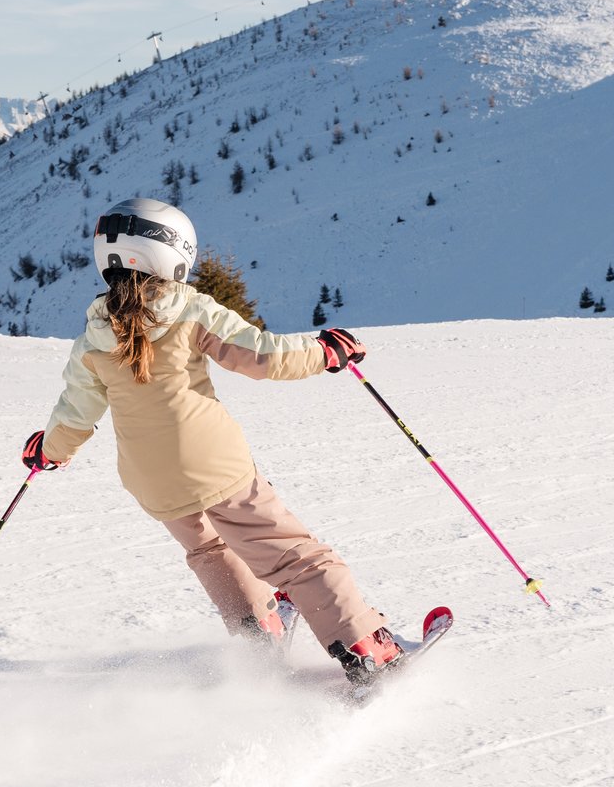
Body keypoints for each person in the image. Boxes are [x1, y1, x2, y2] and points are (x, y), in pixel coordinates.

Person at [22, 197, 401, 682]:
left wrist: (49, 451)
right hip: (215, 467)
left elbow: (75, 414)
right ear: (173, 254)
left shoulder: (93, 336)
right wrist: (325, 352)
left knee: (210, 551)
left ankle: (259, 638)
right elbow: (261, 356)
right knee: (295, 557)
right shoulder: (190, 310)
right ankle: (366, 647)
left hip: (151, 481)